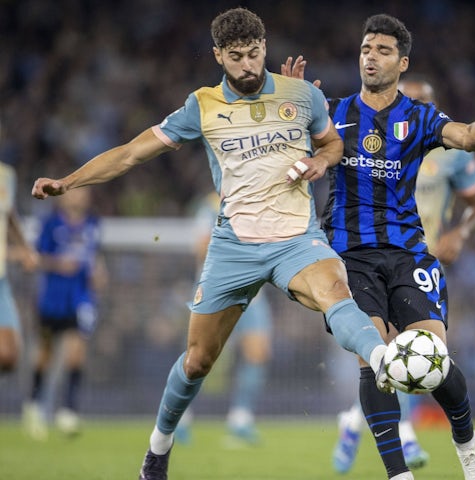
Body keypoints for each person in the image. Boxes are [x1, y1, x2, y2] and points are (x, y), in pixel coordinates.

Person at [31, 7, 394, 480]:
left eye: (255, 53)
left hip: (296, 239)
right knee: (199, 360)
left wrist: (322, 161)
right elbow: (130, 154)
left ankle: (385, 358)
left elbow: (331, 143)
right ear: (220, 55)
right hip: (233, 246)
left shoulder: (301, 95)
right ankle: (157, 450)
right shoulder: (200, 106)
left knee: (335, 291)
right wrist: (69, 182)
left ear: (265, 46)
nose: (248, 65)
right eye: (237, 57)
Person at [282, 13, 475, 480]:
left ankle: (469, 447)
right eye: (365, 49)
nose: (371, 57)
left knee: (433, 361)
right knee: (375, 360)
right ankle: (399, 474)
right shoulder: (333, 111)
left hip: (408, 252)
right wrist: (290, 109)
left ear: (402, 62)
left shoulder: (419, 117)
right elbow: (290, 145)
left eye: (383, 51)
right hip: (348, 255)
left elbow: (470, 138)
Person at [327, 74, 475, 473]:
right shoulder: (360, 132)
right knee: (381, 358)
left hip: (415, 256)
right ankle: (401, 451)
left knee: (428, 356)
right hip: (362, 256)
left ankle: (356, 423)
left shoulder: (449, 151)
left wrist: (459, 232)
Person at [175, 191, 273, 446]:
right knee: (198, 357)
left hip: (252, 290)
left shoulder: (259, 200)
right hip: (215, 287)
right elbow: (200, 247)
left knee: (258, 351)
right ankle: (180, 416)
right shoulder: (209, 205)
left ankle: (241, 418)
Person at [22, 187, 107, 440]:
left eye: (83, 193)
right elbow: (37, 257)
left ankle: (68, 410)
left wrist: (100, 272)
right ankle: (34, 405)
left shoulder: (93, 223)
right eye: (75, 192)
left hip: (81, 296)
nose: (79, 197)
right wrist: (59, 264)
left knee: (76, 352)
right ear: (65, 196)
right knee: (45, 352)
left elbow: (95, 256)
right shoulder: (50, 223)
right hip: (53, 296)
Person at [0, 159, 38, 373]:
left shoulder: (6, 175)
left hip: (0, 278)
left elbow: (8, 213)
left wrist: (24, 247)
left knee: (8, 354)